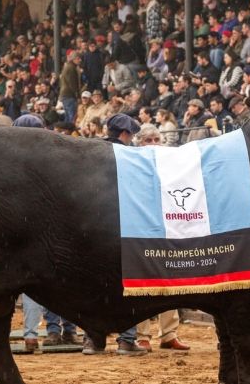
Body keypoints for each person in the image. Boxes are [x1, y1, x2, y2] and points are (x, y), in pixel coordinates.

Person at [82, 113, 146, 356]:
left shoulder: (90, 151)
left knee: (94, 284)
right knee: (128, 283)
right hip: (123, 227)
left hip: (90, 228)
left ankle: (93, 340)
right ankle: (126, 340)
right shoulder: (131, 156)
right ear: (125, 134)